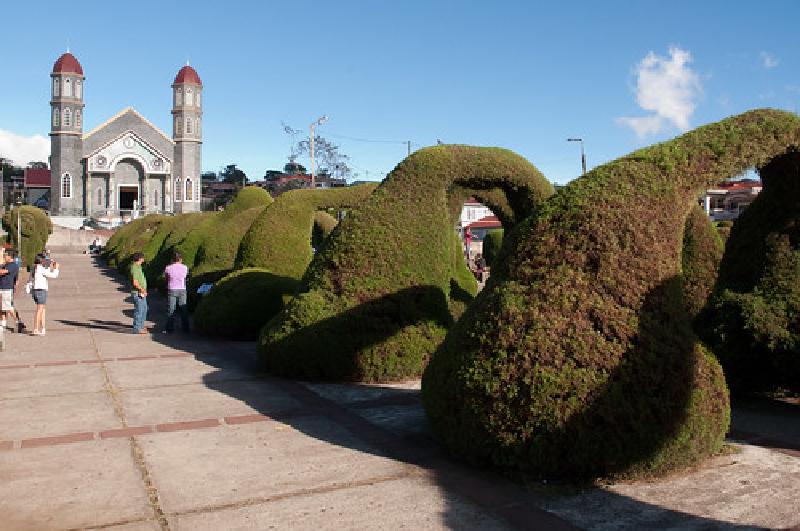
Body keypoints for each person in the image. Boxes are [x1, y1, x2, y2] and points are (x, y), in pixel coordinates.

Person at [31, 253, 59, 336]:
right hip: (41, 290)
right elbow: (53, 275)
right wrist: (56, 268)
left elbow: (47, 270)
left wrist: (50, 263)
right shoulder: (40, 268)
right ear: (41, 260)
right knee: (40, 310)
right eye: (44, 259)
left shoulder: (35, 267)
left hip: (36, 290)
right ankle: (36, 329)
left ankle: (43, 328)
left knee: (42, 310)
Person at [163, 251, 190, 333]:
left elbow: (167, 279)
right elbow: (186, 278)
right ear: (180, 259)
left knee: (171, 309)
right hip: (182, 289)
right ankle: (185, 328)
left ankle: (169, 328)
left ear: (172, 259)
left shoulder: (168, 268)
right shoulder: (185, 267)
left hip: (172, 289)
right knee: (183, 308)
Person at [0, 250, 25, 333]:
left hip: (7, 288)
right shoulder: (5, 264)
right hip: (2, 288)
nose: (4, 256)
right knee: (2, 308)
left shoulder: (13, 265)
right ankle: (3, 324)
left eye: (5, 255)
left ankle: (19, 323)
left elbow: (2, 272)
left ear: (10, 257)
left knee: (9, 307)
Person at [130, 252, 148, 334]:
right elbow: (135, 282)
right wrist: (141, 289)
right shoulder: (135, 267)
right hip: (138, 292)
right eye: (143, 257)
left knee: (144, 309)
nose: (144, 259)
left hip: (141, 292)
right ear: (140, 258)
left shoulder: (139, 267)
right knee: (139, 309)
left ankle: (141, 325)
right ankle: (137, 328)